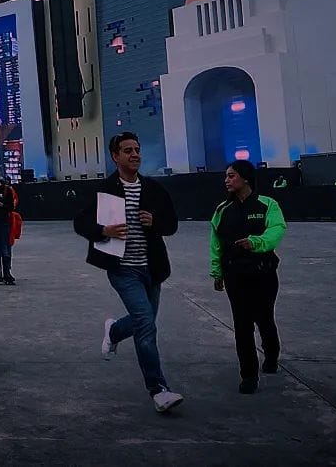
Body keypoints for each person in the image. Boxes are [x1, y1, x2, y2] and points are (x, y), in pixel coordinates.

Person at [73, 132, 184, 413]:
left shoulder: (154, 190)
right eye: (127, 151)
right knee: (146, 325)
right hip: (123, 269)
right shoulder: (104, 189)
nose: (134, 154)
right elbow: (80, 222)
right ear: (115, 156)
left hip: (153, 269)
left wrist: (154, 221)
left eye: (137, 149)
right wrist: (103, 231)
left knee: (140, 321)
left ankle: (114, 330)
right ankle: (158, 389)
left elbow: (171, 225)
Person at [209, 159, 287, 394]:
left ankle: (271, 357)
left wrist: (256, 243)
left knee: (264, 319)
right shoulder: (222, 210)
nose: (227, 180)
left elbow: (277, 230)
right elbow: (216, 243)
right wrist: (217, 271)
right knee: (242, 325)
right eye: (226, 176)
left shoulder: (267, 204)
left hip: (263, 273)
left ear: (245, 178)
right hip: (236, 275)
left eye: (231, 176)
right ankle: (249, 375)